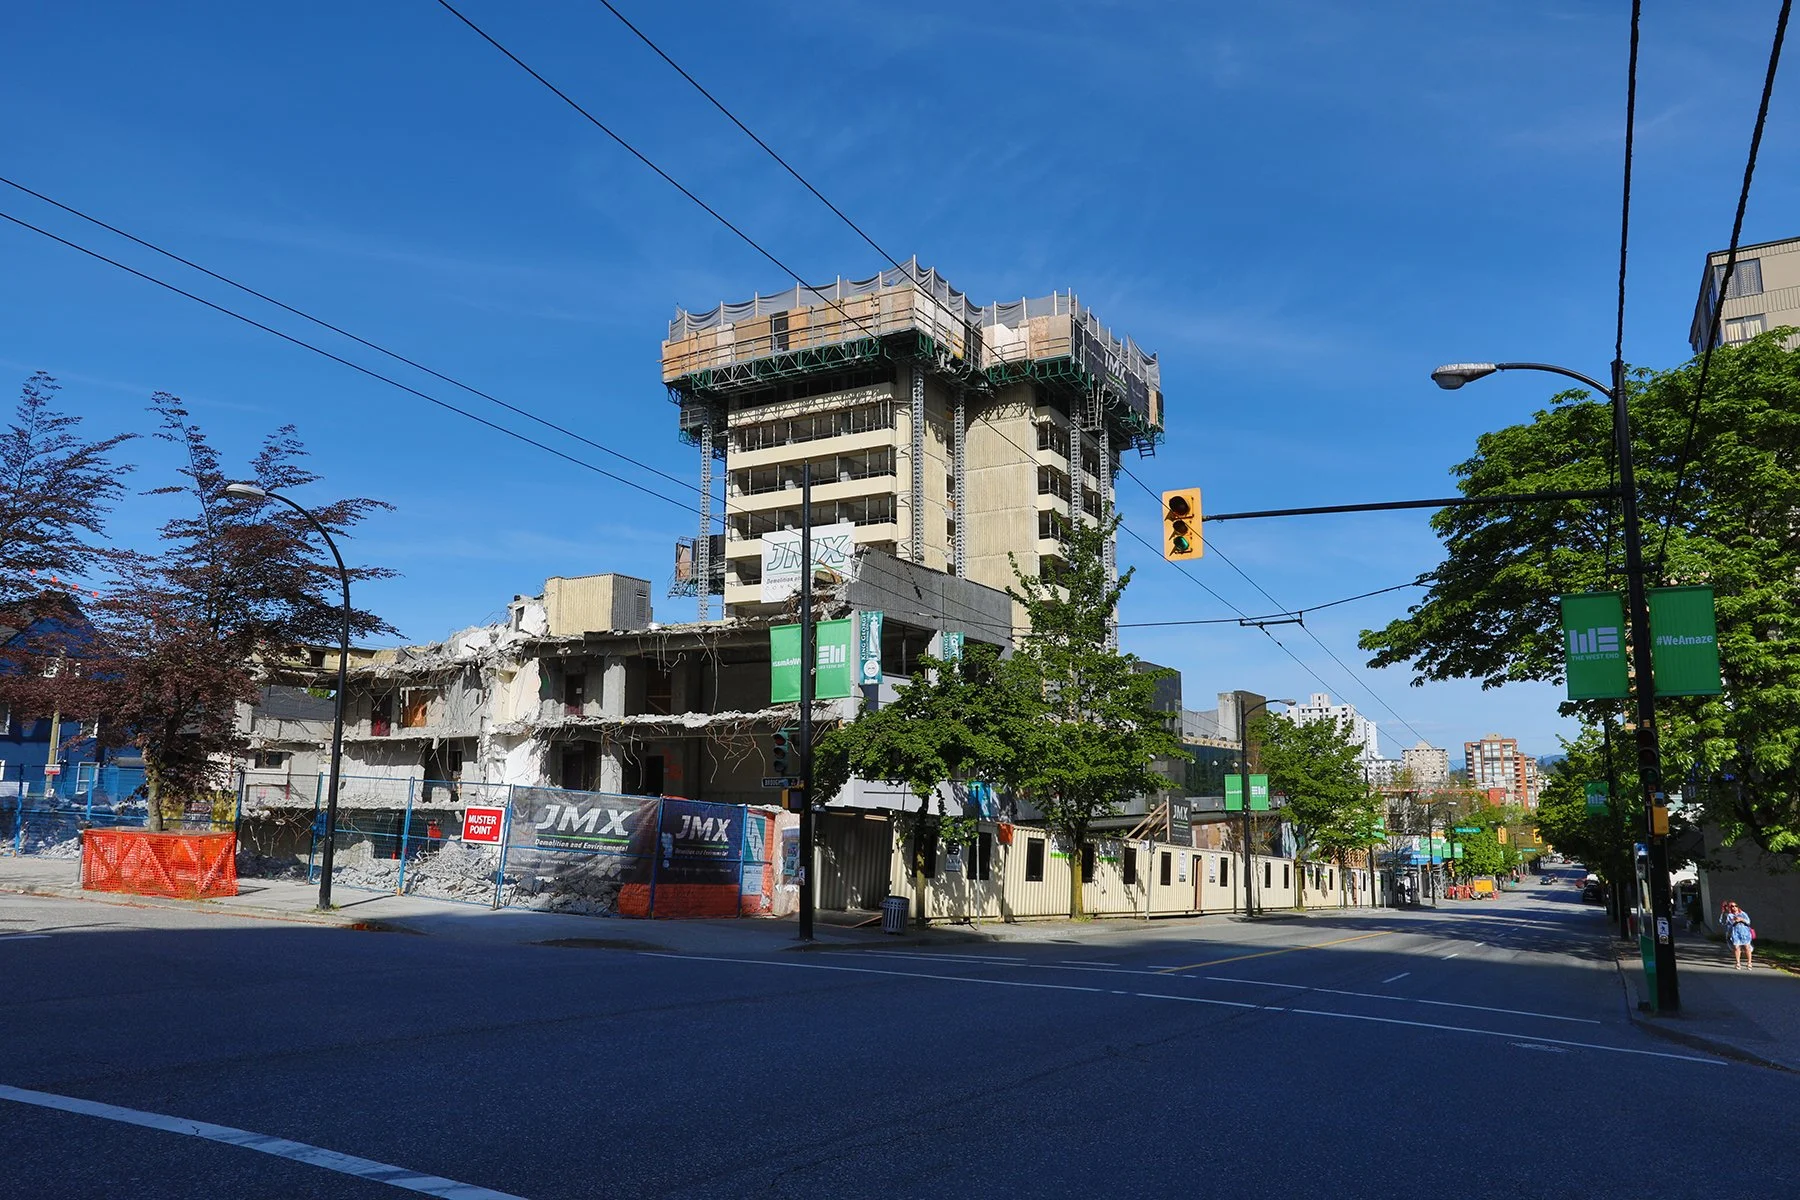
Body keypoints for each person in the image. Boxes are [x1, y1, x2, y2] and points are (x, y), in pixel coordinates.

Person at [1723, 901, 1755, 969]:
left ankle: (1749, 963)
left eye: (1735, 906)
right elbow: (1730, 924)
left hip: (1745, 932)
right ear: (1730, 908)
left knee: (1747, 947)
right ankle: (1738, 963)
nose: (1734, 907)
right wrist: (1734, 921)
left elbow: (1748, 921)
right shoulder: (1730, 915)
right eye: (1732, 906)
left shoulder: (1743, 913)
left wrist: (1741, 919)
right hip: (1735, 933)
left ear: (1737, 906)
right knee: (1737, 948)